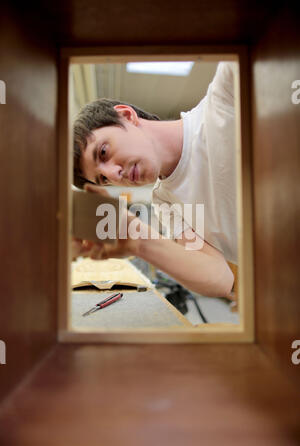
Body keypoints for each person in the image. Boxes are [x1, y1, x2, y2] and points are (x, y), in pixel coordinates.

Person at [72, 62, 237, 298]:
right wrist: (136, 238)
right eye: (103, 179)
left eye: (103, 152)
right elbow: (220, 278)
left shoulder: (226, 97)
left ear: (126, 116)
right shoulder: (166, 203)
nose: (113, 175)